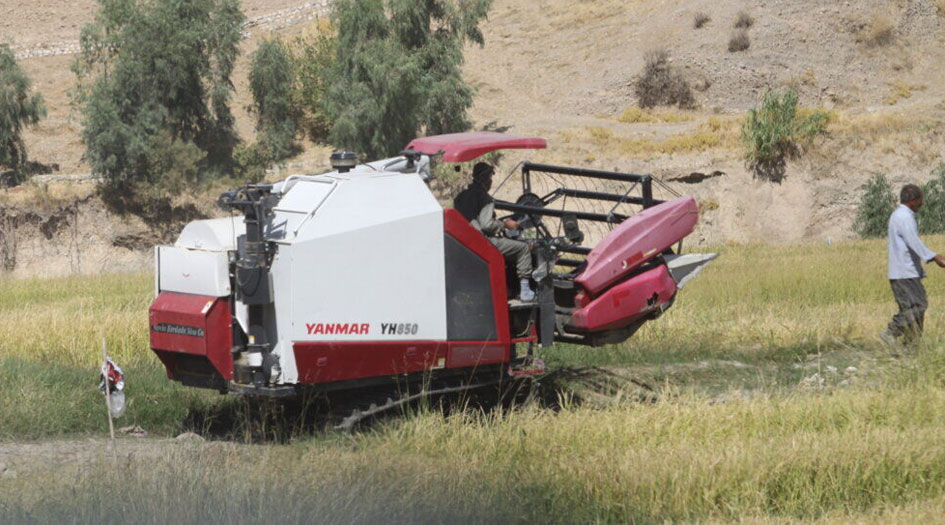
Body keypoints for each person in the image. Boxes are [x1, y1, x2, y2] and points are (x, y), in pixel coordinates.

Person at [454, 162, 535, 302]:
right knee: (523, 249)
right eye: (490, 177)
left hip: (464, 243)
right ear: (486, 178)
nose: (491, 181)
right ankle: (525, 292)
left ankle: (508, 288)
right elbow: (487, 225)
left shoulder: (460, 197)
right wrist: (505, 224)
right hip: (482, 242)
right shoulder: (485, 198)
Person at [880, 184, 945, 346]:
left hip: (904, 272)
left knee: (914, 309)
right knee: (917, 306)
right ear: (912, 200)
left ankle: (912, 349)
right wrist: (934, 257)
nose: (921, 204)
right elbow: (913, 241)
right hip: (905, 273)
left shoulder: (899, 215)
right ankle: (891, 332)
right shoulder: (904, 217)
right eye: (920, 200)